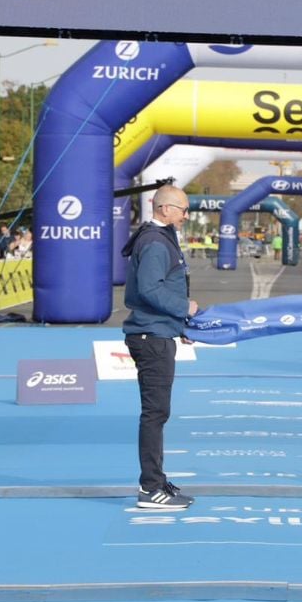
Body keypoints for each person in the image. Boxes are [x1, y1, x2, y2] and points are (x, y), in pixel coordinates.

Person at [121, 185, 198, 511]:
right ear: (165, 208)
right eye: (183, 210)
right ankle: (151, 487)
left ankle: (156, 480)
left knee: (158, 412)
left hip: (156, 333)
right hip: (150, 337)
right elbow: (150, 289)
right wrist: (184, 308)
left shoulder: (159, 238)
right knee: (155, 413)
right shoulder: (155, 242)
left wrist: (179, 326)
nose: (186, 216)